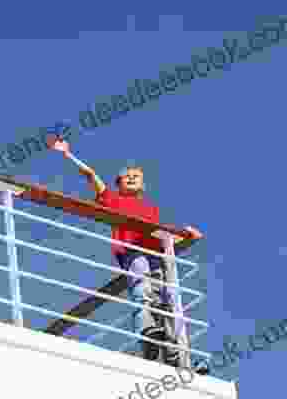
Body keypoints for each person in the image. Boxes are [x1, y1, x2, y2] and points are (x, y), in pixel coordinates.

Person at [47, 137, 203, 367]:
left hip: (156, 255)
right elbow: (91, 175)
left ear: (143, 185)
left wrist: (186, 235)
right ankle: (148, 334)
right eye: (125, 176)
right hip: (133, 251)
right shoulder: (113, 199)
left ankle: (177, 357)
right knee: (143, 291)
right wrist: (67, 154)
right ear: (119, 184)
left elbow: (163, 235)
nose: (130, 178)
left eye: (135, 176)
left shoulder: (151, 208)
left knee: (168, 301)